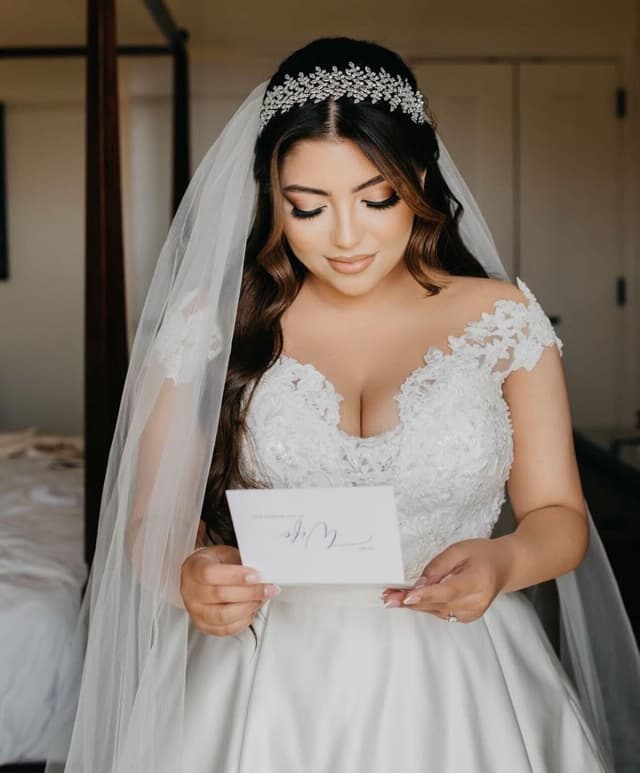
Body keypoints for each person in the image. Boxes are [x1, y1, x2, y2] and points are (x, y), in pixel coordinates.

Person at [50, 37, 640, 773]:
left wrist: (504, 558)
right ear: (272, 197)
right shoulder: (214, 321)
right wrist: (185, 574)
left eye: (376, 198)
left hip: (459, 681)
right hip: (258, 683)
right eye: (308, 208)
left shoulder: (502, 322)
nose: (347, 237)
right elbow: (148, 521)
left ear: (420, 177)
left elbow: (560, 517)